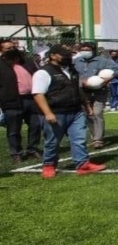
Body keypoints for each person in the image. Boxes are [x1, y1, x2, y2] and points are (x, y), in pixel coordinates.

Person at [31, 45, 106, 178]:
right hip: (56, 112)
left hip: (75, 111)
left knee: (79, 139)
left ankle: (83, 164)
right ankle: (49, 165)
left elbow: (77, 89)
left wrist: (86, 105)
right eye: (63, 54)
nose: (67, 57)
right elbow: (38, 94)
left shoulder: (72, 70)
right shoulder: (43, 72)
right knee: (52, 141)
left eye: (68, 54)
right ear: (52, 56)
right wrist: (48, 113)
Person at [73, 40, 118, 150]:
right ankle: (94, 134)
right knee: (88, 114)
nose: (85, 52)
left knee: (97, 112)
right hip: (83, 91)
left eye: (87, 50)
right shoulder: (76, 61)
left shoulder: (103, 61)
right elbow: (71, 74)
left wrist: (107, 79)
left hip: (100, 90)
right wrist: (81, 82)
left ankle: (98, 139)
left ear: (93, 50)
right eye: (82, 50)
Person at [0, 38, 41, 165]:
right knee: (13, 129)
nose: (12, 50)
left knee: (36, 125)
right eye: (8, 48)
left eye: (13, 47)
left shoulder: (27, 61)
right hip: (12, 101)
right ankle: (16, 153)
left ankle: (32, 149)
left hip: (31, 99)